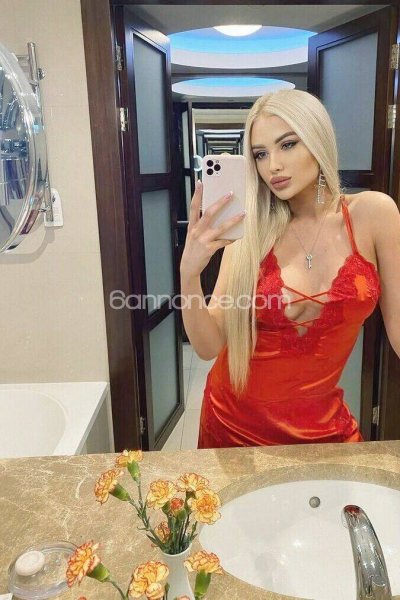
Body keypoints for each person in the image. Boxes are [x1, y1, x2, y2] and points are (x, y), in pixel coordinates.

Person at [179, 89, 400, 449]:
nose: (273, 166)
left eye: (287, 145)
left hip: (324, 431)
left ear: (317, 139)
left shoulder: (374, 214)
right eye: (261, 154)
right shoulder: (249, 233)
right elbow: (208, 346)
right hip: (234, 429)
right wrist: (189, 274)